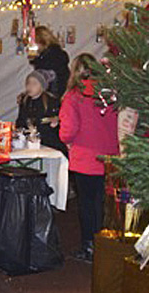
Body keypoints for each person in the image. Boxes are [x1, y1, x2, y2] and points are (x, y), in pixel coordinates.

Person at [58, 53, 119, 263]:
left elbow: (68, 131)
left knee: (87, 205)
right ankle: (106, 246)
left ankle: (89, 247)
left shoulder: (73, 96)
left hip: (85, 158)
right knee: (105, 204)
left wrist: (64, 136)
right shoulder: (110, 95)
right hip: (111, 157)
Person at [15, 70, 65, 155]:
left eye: (34, 83)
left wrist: (55, 122)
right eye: (28, 83)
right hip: (30, 142)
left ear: (42, 86)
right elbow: (20, 121)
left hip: (49, 143)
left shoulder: (51, 102)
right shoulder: (25, 101)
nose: (30, 86)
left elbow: (60, 120)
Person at [29, 26, 71, 97]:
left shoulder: (49, 58)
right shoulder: (55, 54)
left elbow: (44, 81)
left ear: (42, 42)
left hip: (53, 96)